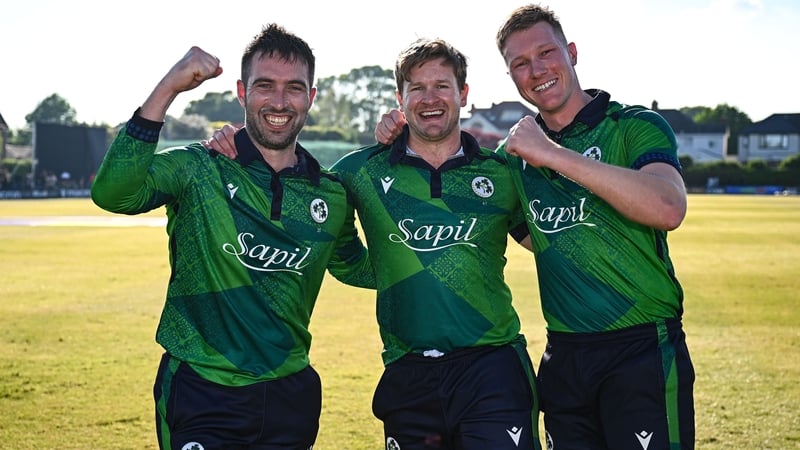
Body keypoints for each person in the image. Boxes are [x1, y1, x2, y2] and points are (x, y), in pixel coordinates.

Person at [376, 4, 695, 450]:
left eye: (546, 53)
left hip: (642, 349)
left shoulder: (633, 126)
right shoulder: (510, 159)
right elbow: (525, 233)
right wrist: (398, 128)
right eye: (520, 64)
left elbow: (667, 207)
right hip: (563, 357)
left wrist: (551, 154)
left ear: (572, 53)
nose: (536, 70)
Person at [207, 37, 542, 450]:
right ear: (399, 99)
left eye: (441, 86)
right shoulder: (356, 172)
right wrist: (395, 271)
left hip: (493, 367)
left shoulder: (503, 173)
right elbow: (338, 250)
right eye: (416, 88)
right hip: (408, 371)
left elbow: (545, 241)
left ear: (464, 94)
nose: (429, 98)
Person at [91, 24, 374, 450]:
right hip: (202, 389)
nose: (279, 102)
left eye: (294, 88)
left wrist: (452, 244)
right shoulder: (201, 167)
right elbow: (114, 193)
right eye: (265, 86)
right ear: (242, 93)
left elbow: (356, 266)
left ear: (311, 98)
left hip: (290, 394)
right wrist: (169, 87)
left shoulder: (330, 192)